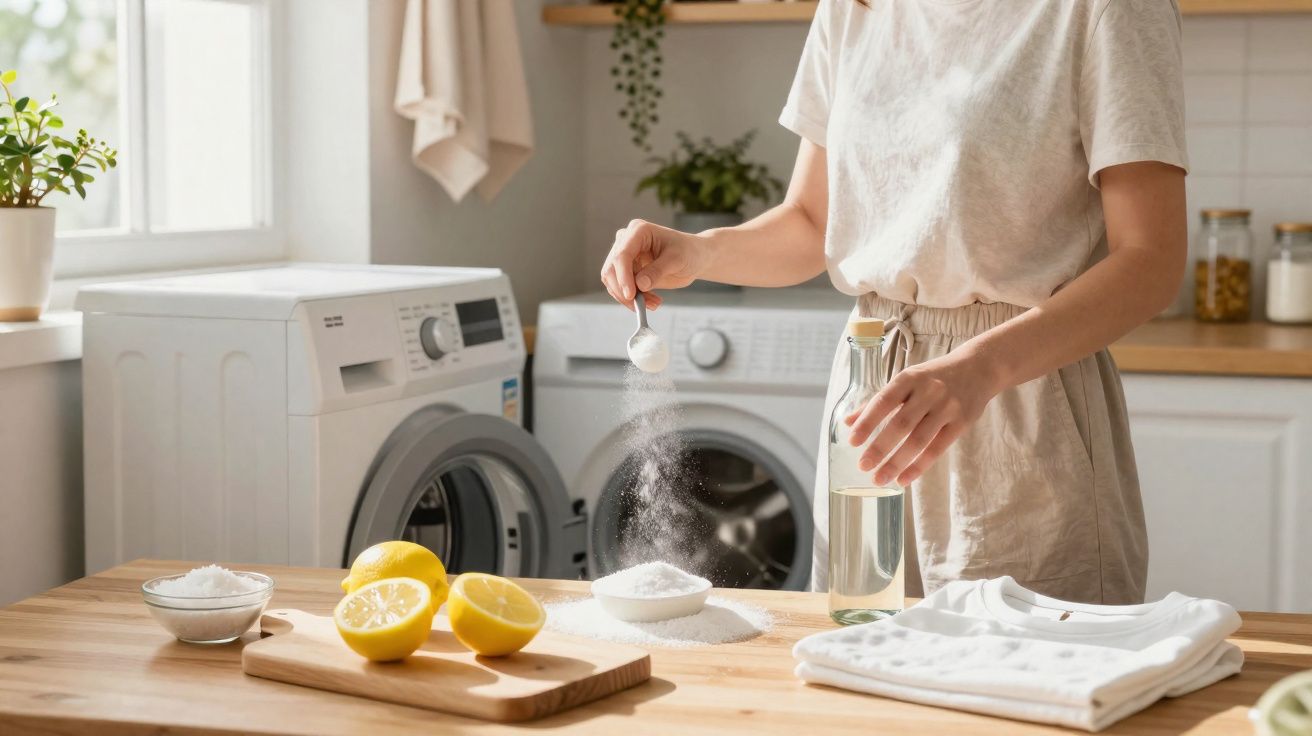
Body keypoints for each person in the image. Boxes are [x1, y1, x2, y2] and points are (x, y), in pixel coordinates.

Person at [600, 0, 1187, 605]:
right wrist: (700, 252)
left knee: (1023, 672)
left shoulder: (1106, 10)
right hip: (870, 389)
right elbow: (811, 223)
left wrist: (980, 368)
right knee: (863, 648)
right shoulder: (853, 11)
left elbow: (1151, 261)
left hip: (1018, 400)